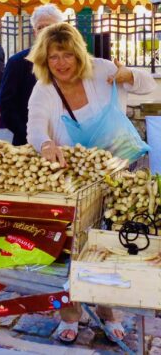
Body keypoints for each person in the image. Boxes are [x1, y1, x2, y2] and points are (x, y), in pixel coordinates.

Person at [27, 22, 156, 344]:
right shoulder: (44, 89)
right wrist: (45, 145)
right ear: (44, 60)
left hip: (122, 174)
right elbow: (35, 127)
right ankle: (70, 315)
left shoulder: (101, 71)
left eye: (67, 54)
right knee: (71, 247)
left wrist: (131, 76)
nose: (61, 63)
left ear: (79, 55)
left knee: (111, 247)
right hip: (78, 179)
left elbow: (146, 85)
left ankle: (109, 313)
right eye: (53, 56)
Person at [0, 4, 64, 146]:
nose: (45, 31)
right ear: (34, 32)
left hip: (66, 143)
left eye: (50, 27)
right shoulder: (17, 62)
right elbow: (6, 105)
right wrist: (31, 135)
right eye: (40, 27)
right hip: (26, 144)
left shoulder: (70, 63)